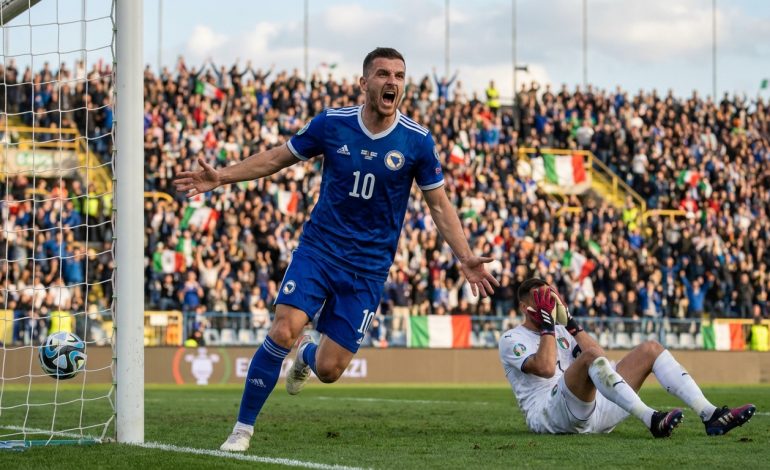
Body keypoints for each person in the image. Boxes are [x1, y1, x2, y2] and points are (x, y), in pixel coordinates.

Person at [174, 47, 499, 452]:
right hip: (320, 250)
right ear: (364, 83)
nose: (392, 82)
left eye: (399, 75)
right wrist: (222, 177)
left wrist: (464, 255)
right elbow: (278, 158)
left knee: (330, 369)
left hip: (368, 268)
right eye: (383, 74)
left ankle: (307, 356)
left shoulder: (417, 141)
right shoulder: (332, 123)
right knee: (282, 329)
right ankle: (242, 430)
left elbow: (438, 204)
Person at [499, 278, 756, 437]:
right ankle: (651, 418)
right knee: (588, 358)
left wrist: (572, 325)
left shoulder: (561, 330)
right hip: (550, 416)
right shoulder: (512, 339)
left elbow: (599, 357)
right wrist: (547, 325)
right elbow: (544, 367)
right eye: (541, 301)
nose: (548, 306)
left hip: (595, 412)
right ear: (525, 307)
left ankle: (709, 414)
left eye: (550, 300)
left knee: (650, 349)